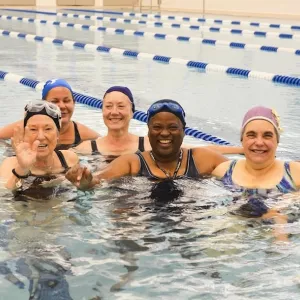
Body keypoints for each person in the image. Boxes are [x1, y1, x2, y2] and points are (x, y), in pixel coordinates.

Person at [66, 99, 228, 190]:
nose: (164, 133)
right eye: (157, 127)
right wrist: (84, 180)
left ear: (183, 131)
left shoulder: (203, 159)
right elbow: (97, 181)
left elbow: (241, 172)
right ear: (148, 131)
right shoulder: (131, 162)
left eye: (172, 127)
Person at [75, 86, 244, 160]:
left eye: (121, 106)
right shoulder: (86, 148)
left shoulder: (149, 144)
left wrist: (241, 150)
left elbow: (201, 150)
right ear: (102, 111)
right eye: (108, 106)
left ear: (132, 111)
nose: (114, 112)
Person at [212, 106, 300, 241]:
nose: (259, 142)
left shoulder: (294, 173)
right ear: (242, 139)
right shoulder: (223, 171)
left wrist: (290, 200)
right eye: (251, 135)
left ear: (277, 140)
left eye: (267, 135)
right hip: (232, 234)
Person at [0, 101, 78, 197]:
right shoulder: (11, 164)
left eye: (48, 129)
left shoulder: (69, 159)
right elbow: (4, 196)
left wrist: (84, 183)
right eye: (33, 129)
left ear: (57, 134)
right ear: (24, 134)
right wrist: (22, 169)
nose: (40, 137)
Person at [0, 79, 100, 150]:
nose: (62, 106)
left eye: (66, 101)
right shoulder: (24, 127)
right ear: (44, 104)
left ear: (74, 103)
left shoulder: (85, 135)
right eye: (55, 101)